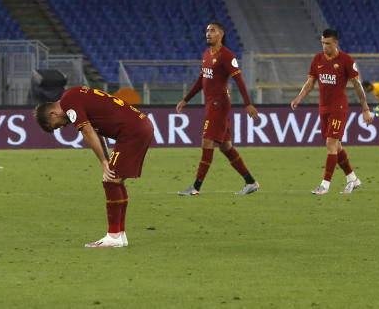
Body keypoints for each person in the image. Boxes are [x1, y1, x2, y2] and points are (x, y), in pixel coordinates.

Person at [34, 86, 154, 248]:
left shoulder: (69, 102)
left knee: (111, 181)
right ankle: (120, 235)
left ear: (52, 114)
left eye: (56, 126)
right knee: (115, 180)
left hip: (132, 131)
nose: (62, 127)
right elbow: (96, 133)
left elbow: (88, 132)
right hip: (137, 127)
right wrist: (105, 159)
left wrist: (104, 163)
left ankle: (113, 236)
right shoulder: (73, 95)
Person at [176, 22, 261, 196]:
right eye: (207, 30)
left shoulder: (227, 56)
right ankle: (250, 182)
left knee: (207, 142)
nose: (208, 33)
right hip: (210, 104)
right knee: (225, 147)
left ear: (221, 34)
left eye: (212, 31)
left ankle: (196, 187)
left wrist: (248, 103)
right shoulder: (207, 54)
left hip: (219, 105)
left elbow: (239, 80)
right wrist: (185, 99)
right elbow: (201, 80)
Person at [290, 28, 373, 194]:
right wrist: (299, 97)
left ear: (336, 43)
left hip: (339, 107)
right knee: (337, 146)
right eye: (322, 42)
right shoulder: (317, 59)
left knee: (331, 144)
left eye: (327, 43)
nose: (324, 46)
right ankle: (352, 179)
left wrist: (365, 109)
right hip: (324, 107)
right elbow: (310, 82)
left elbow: (358, 86)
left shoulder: (346, 60)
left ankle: (325, 185)